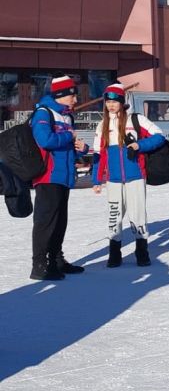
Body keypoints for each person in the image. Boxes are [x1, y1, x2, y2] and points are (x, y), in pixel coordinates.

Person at [91, 83, 166, 267]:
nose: (111, 105)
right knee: (114, 215)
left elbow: (159, 135)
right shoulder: (102, 125)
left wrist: (140, 145)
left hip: (136, 177)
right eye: (108, 101)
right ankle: (114, 253)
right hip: (113, 179)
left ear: (121, 102)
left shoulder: (136, 119)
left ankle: (142, 251)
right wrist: (96, 179)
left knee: (138, 215)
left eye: (114, 101)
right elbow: (98, 154)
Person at [30, 75, 89, 280]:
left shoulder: (67, 116)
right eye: (73, 95)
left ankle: (56, 259)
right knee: (45, 222)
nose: (76, 99)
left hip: (64, 176)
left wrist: (82, 150)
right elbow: (44, 139)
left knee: (60, 221)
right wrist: (68, 136)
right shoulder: (43, 113)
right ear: (62, 95)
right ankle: (39, 264)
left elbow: (67, 146)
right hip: (48, 176)